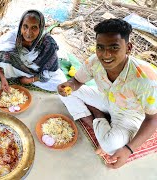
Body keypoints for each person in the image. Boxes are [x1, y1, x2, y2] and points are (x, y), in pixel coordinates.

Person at [57, 19, 157, 169]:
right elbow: (76, 82)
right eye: (100, 47)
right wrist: (68, 86)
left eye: (114, 47)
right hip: (105, 100)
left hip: (128, 115)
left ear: (128, 48)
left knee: (112, 147)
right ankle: (97, 116)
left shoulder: (145, 79)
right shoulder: (94, 62)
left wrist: (128, 150)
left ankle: (98, 117)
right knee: (62, 93)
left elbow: (153, 119)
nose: (105, 55)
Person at [0, 9, 66, 92]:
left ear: (40, 28)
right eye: (25, 26)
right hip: (19, 67)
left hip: (37, 72)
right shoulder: (14, 36)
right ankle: (17, 74)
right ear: (21, 26)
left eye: (34, 27)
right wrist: (2, 77)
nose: (28, 32)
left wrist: (31, 80)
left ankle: (26, 77)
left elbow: (51, 71)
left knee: (60, 83)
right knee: (4, 55)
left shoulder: (48, 44)